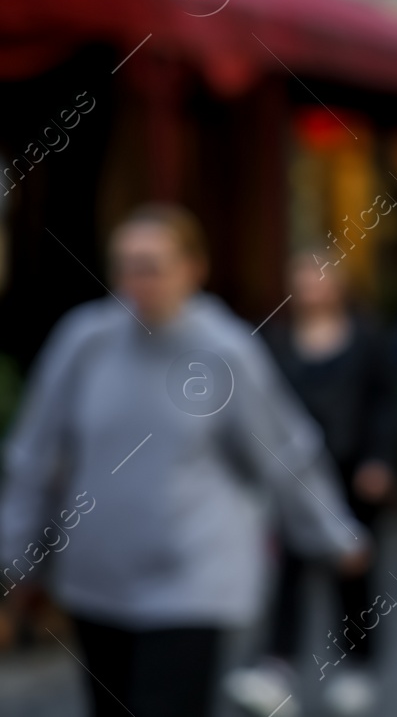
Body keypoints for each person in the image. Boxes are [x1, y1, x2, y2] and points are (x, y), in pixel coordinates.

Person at [0, 204, 367, 717]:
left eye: (152, 265)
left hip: (191, 584)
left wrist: (332, 532)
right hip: (98, 579)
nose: (137, 281)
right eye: (126, 265)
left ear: (194, 268)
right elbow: (34, 454)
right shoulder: (84, 342)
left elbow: (282, 450)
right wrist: (18, 554)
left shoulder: (226, 352)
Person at [225, 254, 397, 717]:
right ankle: (278, 665)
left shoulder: (366, 338)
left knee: (354, 571)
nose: (312, 291)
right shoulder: (275, 342)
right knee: (288, 571)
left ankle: (357, 664)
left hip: (352, 472)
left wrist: (380, 459)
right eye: (303, 281)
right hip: (293, 476)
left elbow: (386, 401)